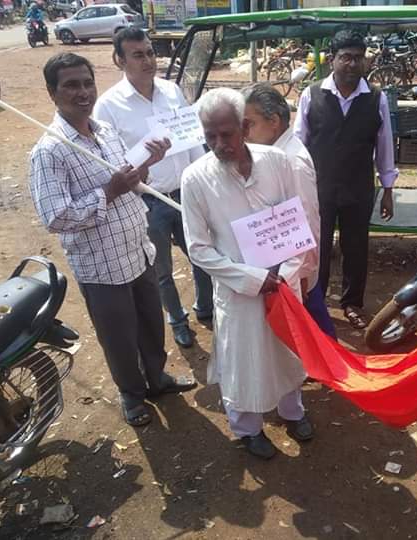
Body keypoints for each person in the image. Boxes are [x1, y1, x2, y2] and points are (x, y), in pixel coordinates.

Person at [29, 53, 196, 427]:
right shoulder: (50, 151)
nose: (83, 92)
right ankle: (132, 395)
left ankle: (157, 378)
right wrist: (108, 191)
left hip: (137, 251)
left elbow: (131, 182)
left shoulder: (104, 130)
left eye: (87, 83)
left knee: (151, 323)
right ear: (52, 93)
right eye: (71, 85)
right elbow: (55, 217)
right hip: (102, 266)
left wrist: (145, 167)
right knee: (119, 337)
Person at [181, 88, 315, 460]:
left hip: (283, 282)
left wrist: (288, 273)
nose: (218, 144)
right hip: (237, 289)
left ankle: (293, 412)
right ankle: (247, 429)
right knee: (241, 360)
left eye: (226, 134)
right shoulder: (195, 178)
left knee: (288, 350)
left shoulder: (276, 161)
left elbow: (297, 220)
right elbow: (199, 249)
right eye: (210, 136)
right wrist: (252, 279)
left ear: (244, 127)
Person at [93, 28, 213, 349]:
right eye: (138, 55)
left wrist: (203, 181)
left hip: (185, 193)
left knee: (202, 255)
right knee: (161, 270)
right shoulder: (108, 106)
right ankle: (178, 321)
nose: (148, 60)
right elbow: (110, 161)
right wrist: (143, 163)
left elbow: (191, 139)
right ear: (119, 60)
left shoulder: (171, 91)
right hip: (147, 202)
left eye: (150, 52)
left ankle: (206, 308)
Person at [294, 30, 398, 330]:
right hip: (319, 188)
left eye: (358, 58)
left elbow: (385, 146)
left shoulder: (375, 98)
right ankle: (316, 303)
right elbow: (297, 146)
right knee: (318, 247)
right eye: (346, 57)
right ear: (332, 60)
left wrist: (388, 189)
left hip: (358, 187)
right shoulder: (312, 95)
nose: (352, 64)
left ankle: (352, 303)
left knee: (356, 247)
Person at [241, 83, 337, 339]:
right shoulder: (275, 154)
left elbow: (307, 221)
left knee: (314, 330)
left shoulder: (291, 162)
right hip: (287, 262)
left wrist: (301, 274)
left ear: (273, 121)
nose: (244, 133)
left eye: (249, 124)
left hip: (295, 269)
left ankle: (334, 363)